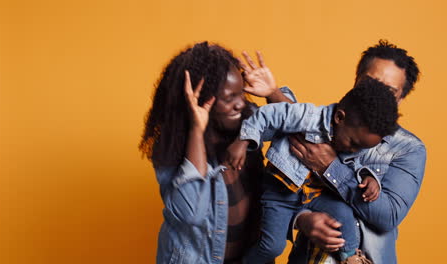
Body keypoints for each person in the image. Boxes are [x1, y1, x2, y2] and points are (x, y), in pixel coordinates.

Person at [140, 42, 289, 264]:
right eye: (230, 98)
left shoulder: (248, 122)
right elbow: (192, 214)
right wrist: (196, 130)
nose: (240, 104)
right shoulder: (173, 146)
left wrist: (273, 92)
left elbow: (304, 133)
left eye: (242, 94)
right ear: (200, 100)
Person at [226, 77, 398, 264]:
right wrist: (243, 141)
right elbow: (267, 115)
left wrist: (369, 178)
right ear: (339, 118)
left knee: (344, 214)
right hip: (282, 194)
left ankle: (349, 257)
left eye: (361, 148)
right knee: (272, 247)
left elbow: (354, 164)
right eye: (353, 144)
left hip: (316, 196)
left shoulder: (355, 137)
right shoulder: (308, 116)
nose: (354, 150)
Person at [287, 40, 426, 264]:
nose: (375, 95)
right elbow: (278, 191)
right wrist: (301, 220)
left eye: (389, 91)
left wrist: (330, 167)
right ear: (356, 80)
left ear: (401, 98)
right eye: (369, 83)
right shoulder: (319, 126)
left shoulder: (409, 149)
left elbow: (387, 216)